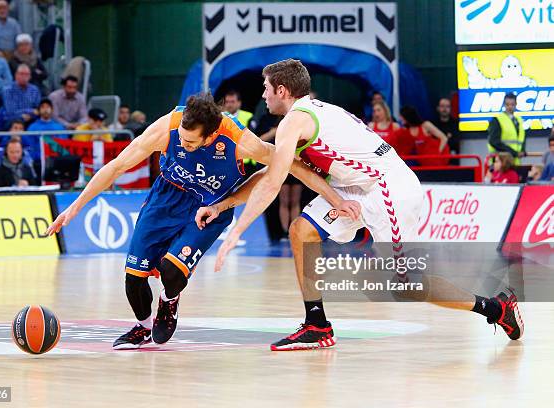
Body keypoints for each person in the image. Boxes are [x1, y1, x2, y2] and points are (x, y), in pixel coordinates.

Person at [204, 59, 523, 350]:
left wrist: (237, 231)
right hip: (356, 187)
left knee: (408, 288)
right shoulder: (311, 113)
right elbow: (272, 170)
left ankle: (495, 307)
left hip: (389, 189)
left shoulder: (295, 121)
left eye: (266, 89)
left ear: (282, 90)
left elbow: (274, 181)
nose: (263, 96)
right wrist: (224, 205)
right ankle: (317, 325)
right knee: (302, 231)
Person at [46, 93, 347, 350]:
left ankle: (169, 298)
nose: (184, 143)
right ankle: (142, 326)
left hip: (209, 206)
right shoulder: (169, 128)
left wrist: (335, 198)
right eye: (183, 138)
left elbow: (289, 165)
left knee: (170, 269)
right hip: (166, 197)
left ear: (212, 135)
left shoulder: (241, 141)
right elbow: (117, 166)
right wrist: (75, 207)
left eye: (191, 142)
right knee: (133, 279)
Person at [488, 93, 526, 165]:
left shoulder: (518, 120)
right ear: (504, 105)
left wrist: (522, 150)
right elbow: (494, 141)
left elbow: (522, 138)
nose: (510, 107)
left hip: (515, 161)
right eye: (507, 104)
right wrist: (513, 153)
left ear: (516, 105)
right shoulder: (497, 119)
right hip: (500, 161)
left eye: (512, 104)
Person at [26, 98, 66, 163]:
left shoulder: (59, 127)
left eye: (48, 107)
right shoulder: (32, 127)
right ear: (39, 110)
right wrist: (40, 156)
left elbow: (63, 147)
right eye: (42, 107)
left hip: (56, 160)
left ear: (52, 110)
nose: (45, 110)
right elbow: (30, 148)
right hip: (38, 161)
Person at [432, 97, 460, 164]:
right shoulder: (433, 124)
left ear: (450, 109)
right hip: (436, 160)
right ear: (438, 108)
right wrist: (446, 137)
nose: (444, 109)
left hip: (452, 160)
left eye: (447, 106)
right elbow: (432, 143)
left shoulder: (456, 124)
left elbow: (455, 143)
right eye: (442, 106)